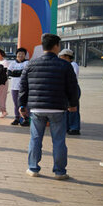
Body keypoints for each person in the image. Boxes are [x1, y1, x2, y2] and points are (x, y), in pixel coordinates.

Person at [19, 34, 78, 180]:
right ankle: (59, 172)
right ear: (56, 46)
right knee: (58, 140)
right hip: (58, 108)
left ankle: (33, 168)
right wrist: (73, 105)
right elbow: (72, 87)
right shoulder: (65, 65)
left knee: (35, 139)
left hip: (37, 109)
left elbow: (23, 87)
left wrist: (22, 105)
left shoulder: (30, 64)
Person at [58, 48, 81, 135]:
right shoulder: (63, 65)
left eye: (62, 56)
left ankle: (74, 127)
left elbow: (71, 78)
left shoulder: (73, 64)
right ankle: (67, 126)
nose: (60, 57)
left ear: (68, 57)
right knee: (66, 109)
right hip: (65, 88)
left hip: (72, 88)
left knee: (73, 108)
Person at [7, 48, 29, 126]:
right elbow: (9, 73)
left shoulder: (27, 63)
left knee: (24, 104)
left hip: (24, 87)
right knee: (16, 104)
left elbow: (25, 73)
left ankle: (25, 118)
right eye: (19, 54)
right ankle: (17, 118)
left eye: (22, 54)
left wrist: (15, 72)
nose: (20, 55)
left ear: (25, 55)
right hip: (14, 87)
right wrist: (19, 72)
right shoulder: (12, 63)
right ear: (16, 54)